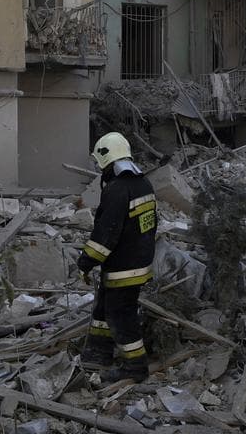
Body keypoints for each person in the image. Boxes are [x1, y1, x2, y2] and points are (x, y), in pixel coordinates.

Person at [77, 132, 157, 383]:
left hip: (124, 267)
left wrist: (85, 263)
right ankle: (99, 352)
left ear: (106, 160)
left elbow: (105, 236)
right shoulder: (143, 184)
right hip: (138, 262)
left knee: (120, 315)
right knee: (104, 307)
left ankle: (136, 366)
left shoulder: (117, 190)